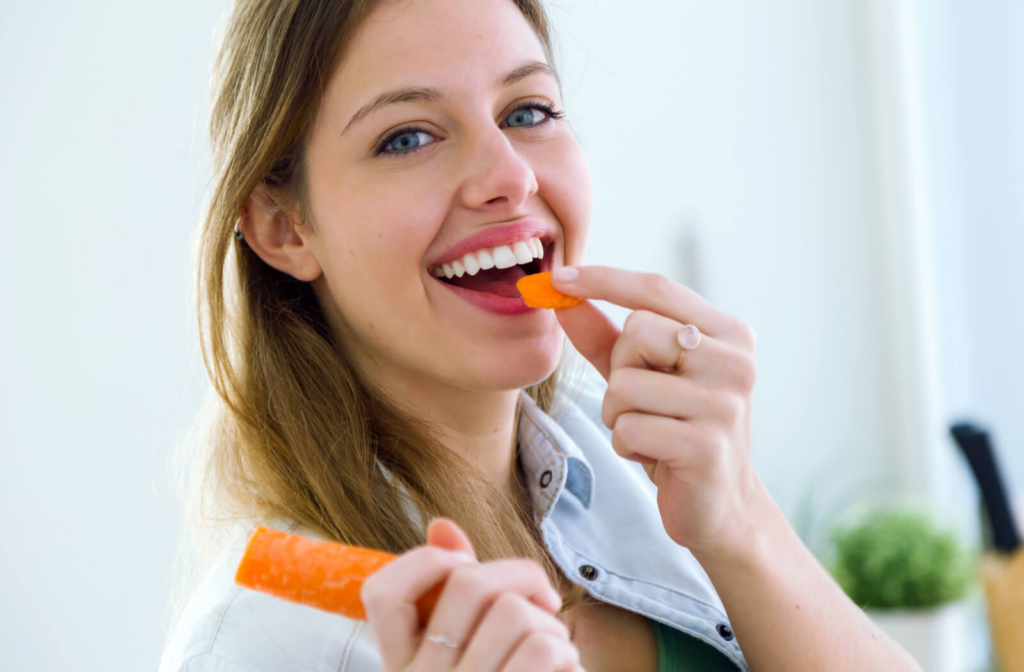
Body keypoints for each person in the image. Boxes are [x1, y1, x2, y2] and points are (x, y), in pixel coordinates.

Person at [160, 0, 925, 670]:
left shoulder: (633, 464)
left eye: (527, 112)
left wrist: (741, 521)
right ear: (282, 227)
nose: (511, 176)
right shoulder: (251, 646)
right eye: (407, 137)